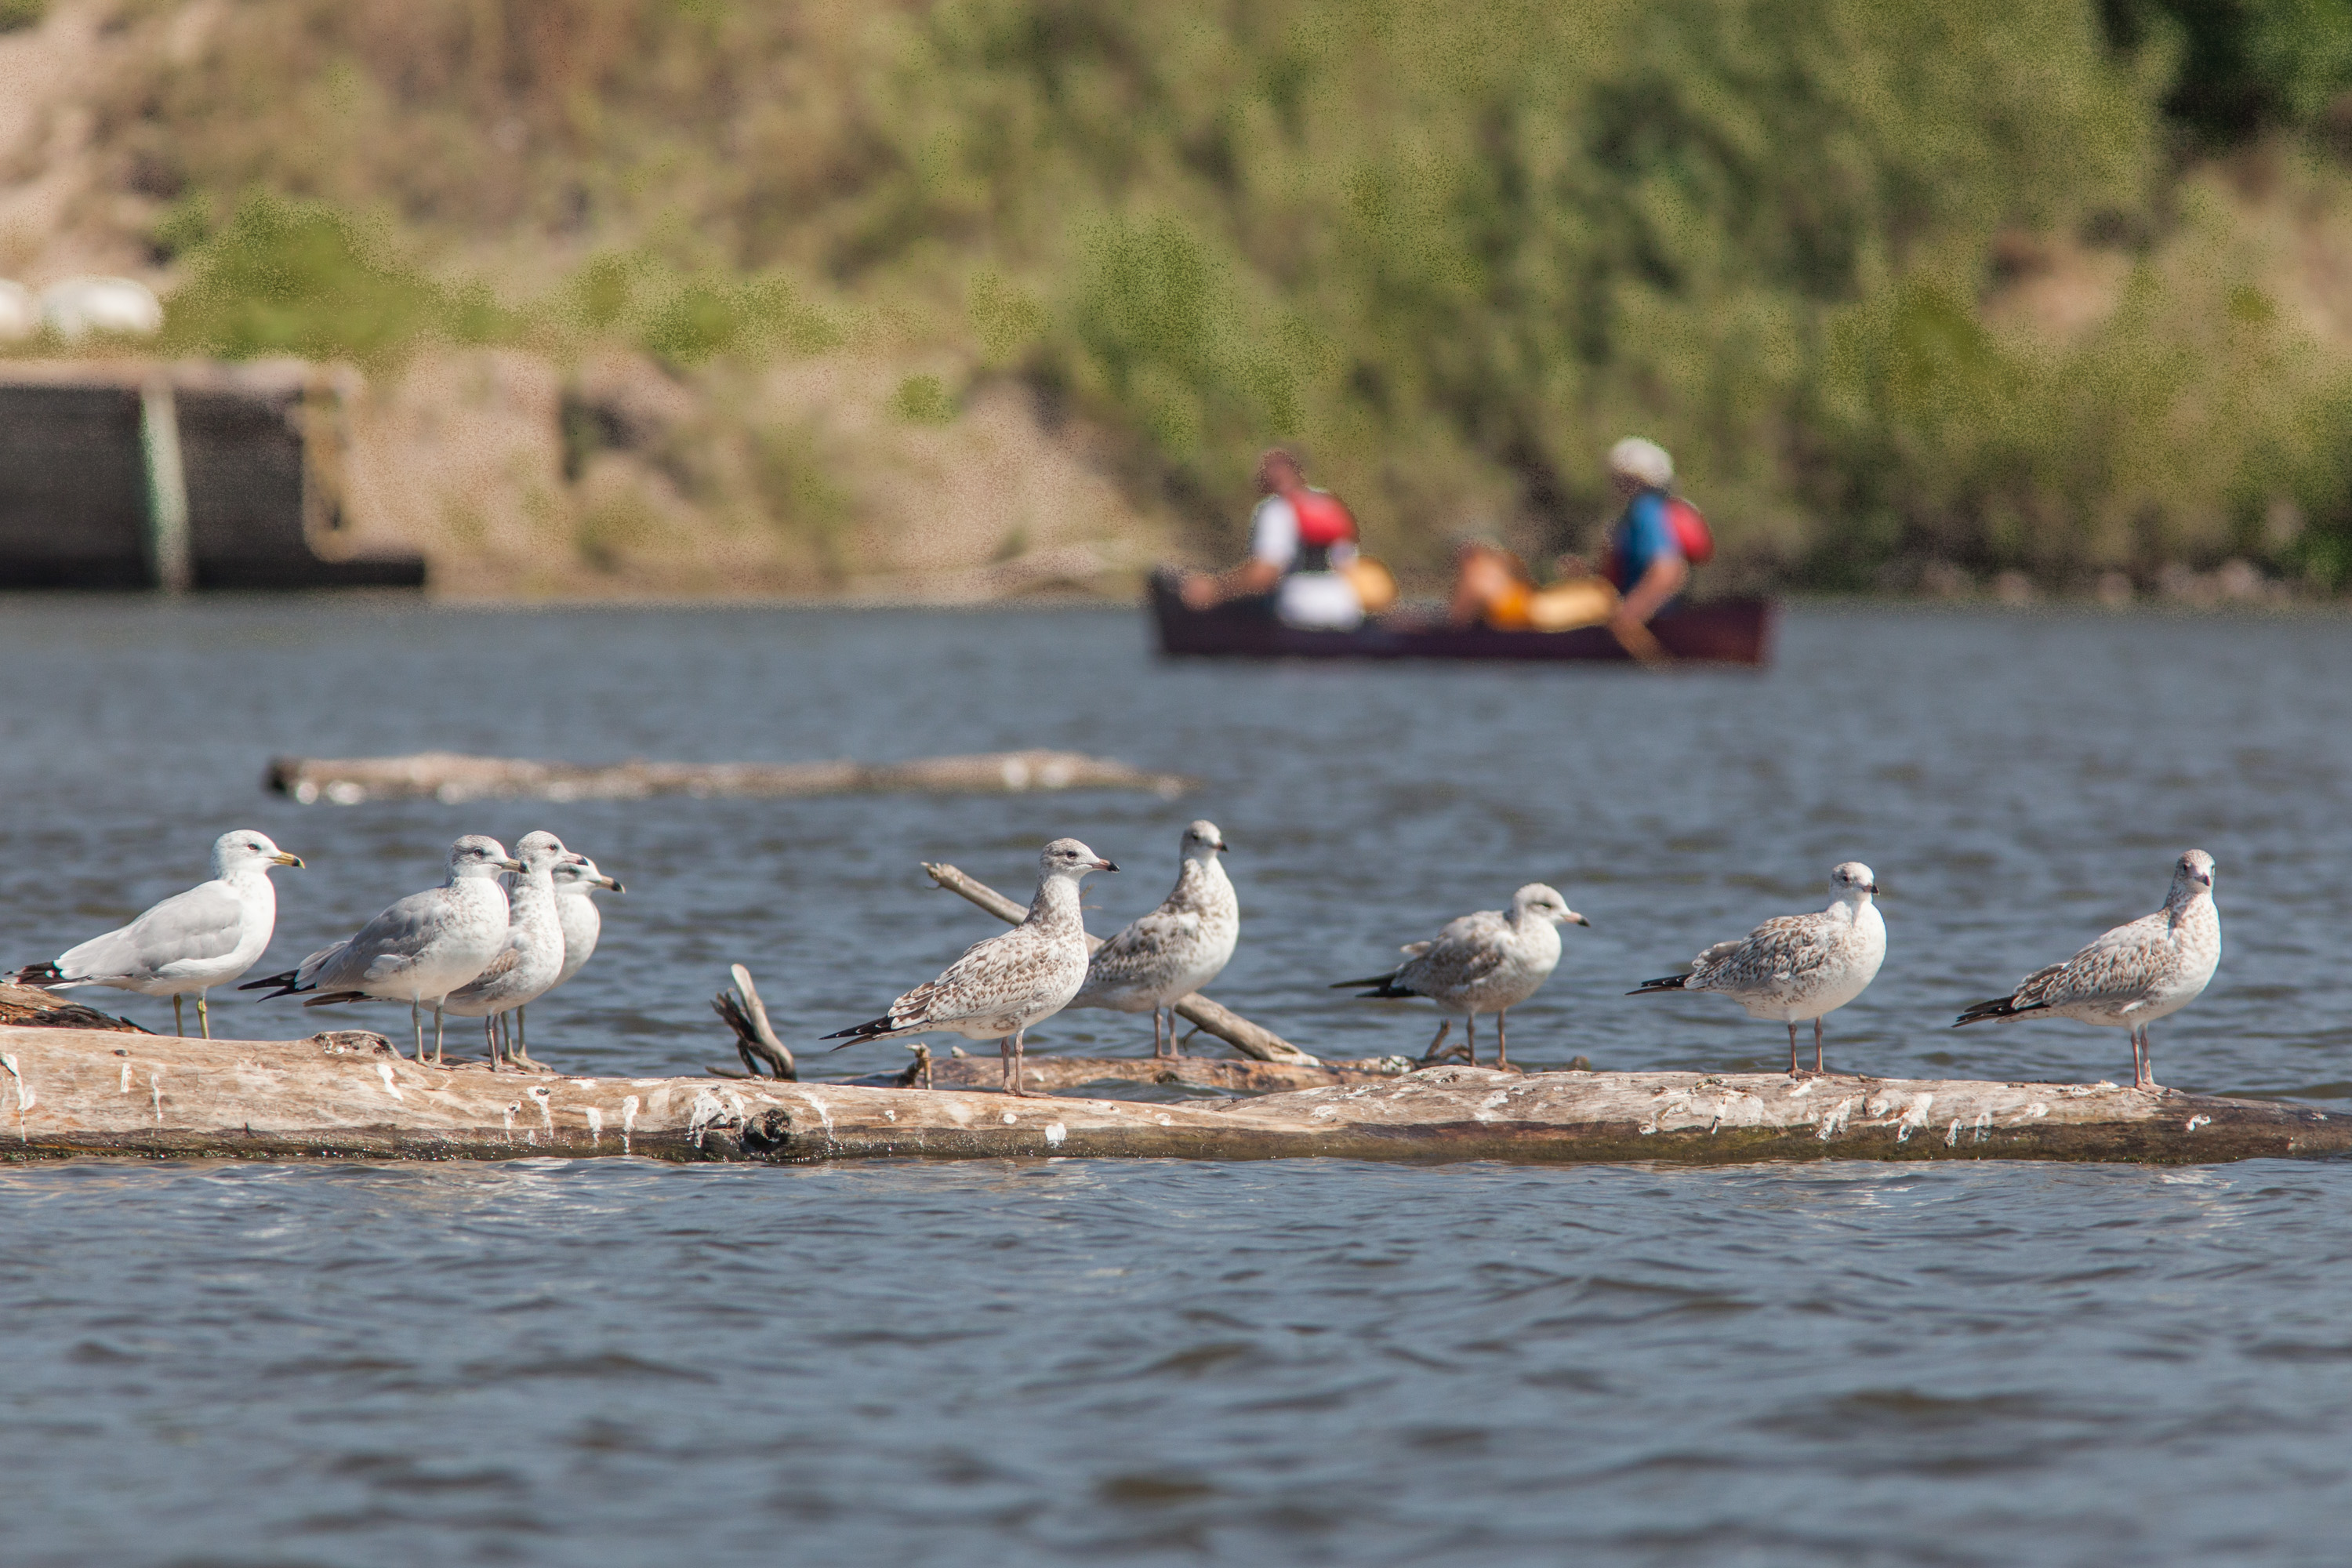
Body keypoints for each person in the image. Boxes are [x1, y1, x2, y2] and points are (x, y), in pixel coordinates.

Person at [1179, 449, 1366, 630]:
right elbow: (1349, 567)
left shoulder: (1276, 508)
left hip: (1298, 613)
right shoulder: (1328, 503)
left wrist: (1215, 589)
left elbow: (1265, 574)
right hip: (1345, 612)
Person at [1595, 437, 1689, 639]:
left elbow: (1669, 570)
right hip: (1657, 620)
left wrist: (1627, 616)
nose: (1614, 484)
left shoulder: (1644, 511)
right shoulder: (1653, 510)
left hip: (1657, 624)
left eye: (1619, 477)